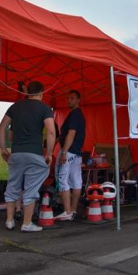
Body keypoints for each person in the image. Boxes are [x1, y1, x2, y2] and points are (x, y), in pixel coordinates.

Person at [0, 81, 56, 233]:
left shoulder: (15, 106)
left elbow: (2, 127)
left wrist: (3, 149)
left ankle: (9, 221)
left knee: (12, 186)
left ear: (27, 92)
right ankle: (27, 223)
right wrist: (49, 153)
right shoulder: (45, 108)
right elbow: (51, 131)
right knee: (31, 189)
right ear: (42, 92)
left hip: (16, 154)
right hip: (34, 154)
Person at [54, 90, 86, 221]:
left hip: (69, 151)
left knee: (62, 180)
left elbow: (70, 134)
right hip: (77, 153)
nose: (69, 100)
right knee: (76, 181)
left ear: (78, 100)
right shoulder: (79, 115)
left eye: (72, 98)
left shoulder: (74, 114)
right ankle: (72, 210)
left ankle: (67, 211)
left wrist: (64, 152)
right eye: (68, 98)